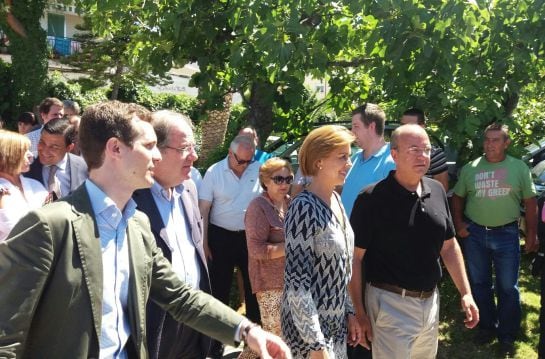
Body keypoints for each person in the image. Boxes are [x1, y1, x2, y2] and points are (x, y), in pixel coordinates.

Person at [0, 100, 291, 359]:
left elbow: (179, 296)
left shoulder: (136, 225)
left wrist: (246, 330)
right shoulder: (48, 227)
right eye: (149, 147)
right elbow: (5, 337)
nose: (158, 157)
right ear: (115, 148)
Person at [350, 124, 479, 359]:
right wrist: (359, 311)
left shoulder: (437, 190)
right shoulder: (371, 198)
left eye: (427, 149)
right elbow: (354, 259)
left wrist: (466, 292)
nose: (423, 156)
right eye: (414, 150)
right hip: (389, 304)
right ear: (394, 154)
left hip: (430, 304)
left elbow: (449, 247)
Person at [132, 110, 212, 359]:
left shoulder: (188, 188)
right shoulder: (132, 197)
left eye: (193, 147)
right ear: (156, 149)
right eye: (185, 148)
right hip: (155, 326)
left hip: (194, 324)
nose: (194, 156)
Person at [452, 123, 537, 356]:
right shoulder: (471, 168)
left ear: (506, 143)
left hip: (507, 234)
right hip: (476, 234)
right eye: (487, 139)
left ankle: (507, 334)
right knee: (479, 284)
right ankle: (487, 327)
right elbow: (457, 198)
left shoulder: (518, 168)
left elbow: (530, 203)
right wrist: (459, 224)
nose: (490, 144)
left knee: (507, 287)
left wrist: (531, 234)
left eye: (496, 140)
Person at [282, 125, 361, 359]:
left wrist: (350, 312)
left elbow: (341, 269)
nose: (349, 163)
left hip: (335, 327)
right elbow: (297, 286)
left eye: (350, 156)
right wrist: (316, 346)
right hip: (308, 336)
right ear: (318, 161)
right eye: (342, 157)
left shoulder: (336, 199)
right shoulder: (303, 207)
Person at [199, 134, 262, 358]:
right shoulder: (215, 172)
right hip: (220, 236)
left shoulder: (258, 168)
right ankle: (215, 345)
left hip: (249, 237)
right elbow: (203, 210)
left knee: (254, 291)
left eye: (249, 161)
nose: (245, 166)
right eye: (240, 161)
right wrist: (204, 242)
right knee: (219, 291)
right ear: (230, 154)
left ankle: (254, 345)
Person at [240, 158, 292, 359]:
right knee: (275, 339)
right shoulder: (257, 207)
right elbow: (256, 250)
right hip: (268, 283)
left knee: (274, 338)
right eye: (278, 179)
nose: (284, 184)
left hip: (291, 282)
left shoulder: (290, 203)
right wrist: (290, 246)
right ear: (265, 181)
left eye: (288, 178)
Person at [341, 103, 396, 218]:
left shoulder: (391, 162)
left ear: (371, 127)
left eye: (356, 126)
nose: (352, 132)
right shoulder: (355, 158)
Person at [0, 130, 48, 242]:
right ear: (6, 156)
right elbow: (15, 228)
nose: (30, 155)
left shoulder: (35, 184)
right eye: (23, 151)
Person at [24, 117, 88, 200]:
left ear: (69, 148)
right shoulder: (26, 169)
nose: (45, 151)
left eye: (54, 147)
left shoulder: (85, 167)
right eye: (42, 142)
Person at [401, 108, 449, 192]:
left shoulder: (434, 154)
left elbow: (442, 189)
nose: (404, 129)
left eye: (409, 125)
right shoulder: (395, 151)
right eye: (402, 125)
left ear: (422, 126)